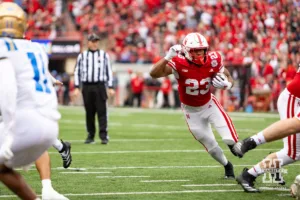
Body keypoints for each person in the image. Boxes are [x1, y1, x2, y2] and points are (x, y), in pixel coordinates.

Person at [150, 32, 239, 179]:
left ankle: (241, 153)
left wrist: (228, 85)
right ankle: (227, 165)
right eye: (195, 50)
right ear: (186, 51)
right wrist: (167, 57)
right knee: (211, 146)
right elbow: (154, 74)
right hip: (191, 111)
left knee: (230, 140)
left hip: (209, 104)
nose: (200, 53)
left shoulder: (213, 59)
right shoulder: (179, 62)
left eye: (202, 50)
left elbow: (228, 75)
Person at [0, 2, 65, 199]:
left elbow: (7, 86)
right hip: (50, 125)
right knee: (2, 169)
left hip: (23, 122)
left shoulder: (3, 47)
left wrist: (9, 130)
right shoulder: (36, 48)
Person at [233, 66, 300, 193]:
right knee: (293, 151)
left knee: (294, 151)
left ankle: (256, 170)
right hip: (295, 99)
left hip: (295, 98)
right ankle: (250, 147)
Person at [74, 33, 115, 144]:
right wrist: (77, 87)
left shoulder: (104, 55)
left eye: (96, 41)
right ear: (88, 42)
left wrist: (110, 86)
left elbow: (109, 72)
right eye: (93, 41)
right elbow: (77, 72)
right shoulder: (82, 56)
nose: (95, 43)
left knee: (102, 111)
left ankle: (104, 136)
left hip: (100, 86)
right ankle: (90, 135)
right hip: (87, 86)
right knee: (89, 112)